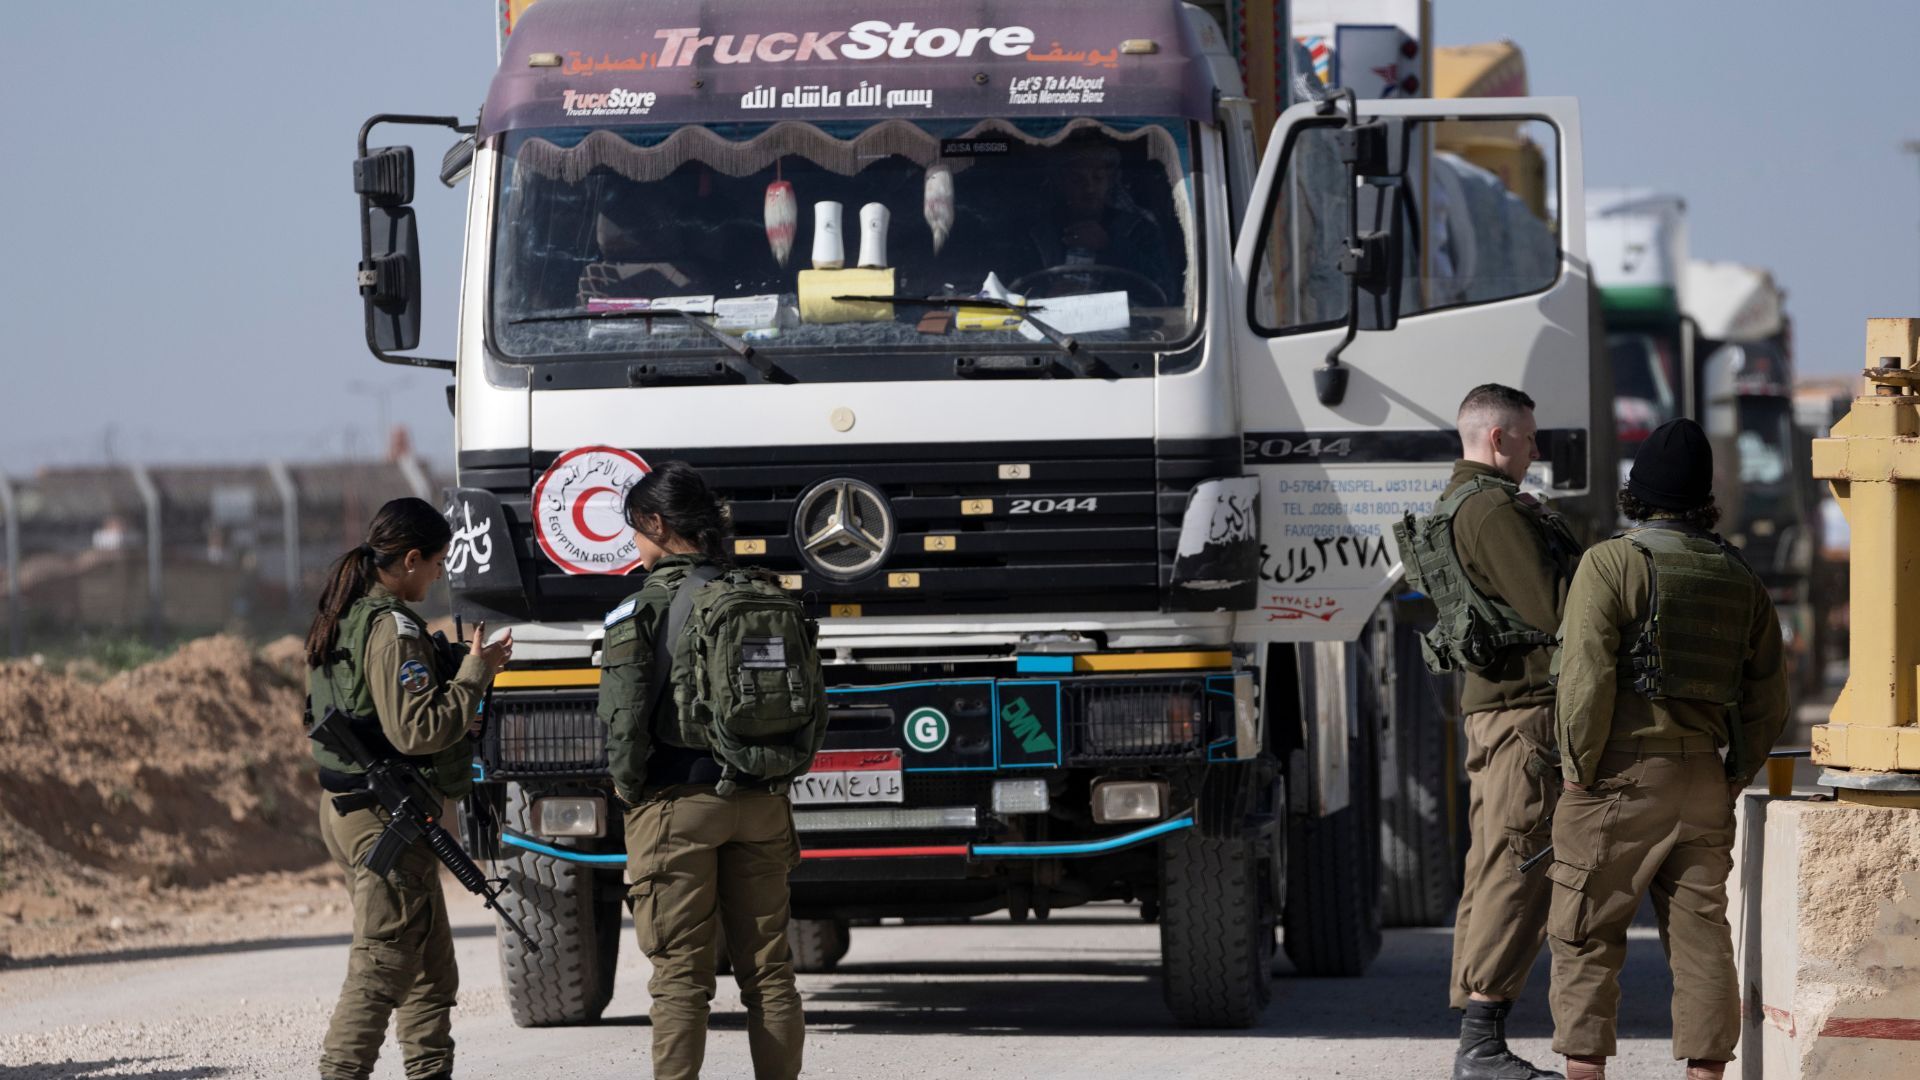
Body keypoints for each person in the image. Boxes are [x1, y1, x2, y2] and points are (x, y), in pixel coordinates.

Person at [1547, 418, 1789, 1080]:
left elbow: (1586, 677)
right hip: (1704, 780)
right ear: (1704, 498)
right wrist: (1734, 773)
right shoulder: (1739, 574)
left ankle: (1586, 1071)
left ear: (1638, 492)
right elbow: (1769, 694)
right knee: (1702, 939)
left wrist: (1577, 772)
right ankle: (1706, 1075)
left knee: (1585, 932)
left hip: (1616, 778)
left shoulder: (1611, 563)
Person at [598, 462, 809, 1080]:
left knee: (680, 981)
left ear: (657, 524)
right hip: (761, 801)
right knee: (770, 974)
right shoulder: (763, 594)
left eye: (635, 529)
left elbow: (624, 722)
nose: (634, 544)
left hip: (677, 808)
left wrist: (630, 792)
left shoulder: (640, 607)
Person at [305, 496, 512, 1080]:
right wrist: (474, 676)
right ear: (412, 559)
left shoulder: (347, 614)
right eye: (438, 563)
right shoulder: (392, 629)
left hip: (362, 809)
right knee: (382, 966)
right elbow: (416, 730)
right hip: (382, 816)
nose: (439, 575)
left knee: (428, 971)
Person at [1438, 384, 1583, 1080]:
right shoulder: (1495, 510)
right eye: (1527, 436)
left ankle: (1478, 1032)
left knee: (1496, 859)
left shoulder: (1465, 501)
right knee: (1521, 864)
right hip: (1524, 714)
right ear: (1498, 439)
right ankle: (1481, 1038)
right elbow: (1557, 609)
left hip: (1500, 711)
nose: (1535, 448)